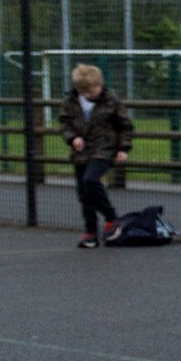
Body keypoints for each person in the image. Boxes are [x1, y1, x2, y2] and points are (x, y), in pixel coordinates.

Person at [57, 64, 133, 248]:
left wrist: (123, 148)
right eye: (87, 92)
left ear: (100, 84)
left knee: (90, 181)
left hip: (104, 149)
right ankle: (91, 232)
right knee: (84, 193)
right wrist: (72, 138)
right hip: (82, 152)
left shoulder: (111, 100)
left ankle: (111, 217)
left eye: (94, 89)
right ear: (79, 90)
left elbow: (125, 125)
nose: (92, 94)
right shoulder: (70, 103)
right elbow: (64, 124)